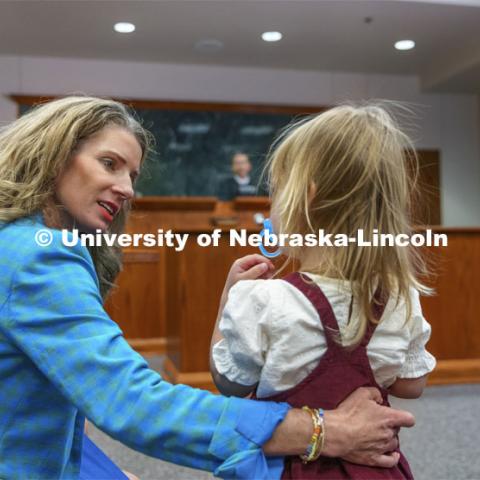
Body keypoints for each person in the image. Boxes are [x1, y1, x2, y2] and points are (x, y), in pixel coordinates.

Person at [0, 96, 415, 480]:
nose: (127, 189)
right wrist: (323, 429)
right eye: (109, 163)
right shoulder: (41, 254)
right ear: (53, 154)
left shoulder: (18, 240)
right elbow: (134, 405)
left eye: (132, 175)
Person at [210, 104, 437, 478]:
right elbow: (412, 384)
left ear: (307, 199)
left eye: (277, 192)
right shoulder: (401, 297)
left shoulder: (263, 299)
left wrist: (225, 305)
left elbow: (230, 382)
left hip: (290, 467)